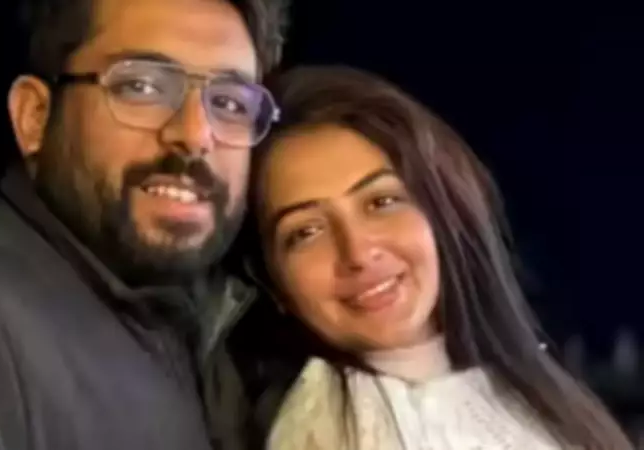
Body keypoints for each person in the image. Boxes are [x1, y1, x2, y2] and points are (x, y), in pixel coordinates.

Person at [0, 0, 288, 448]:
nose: (195, 135)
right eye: (142, 86)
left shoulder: (209, 336)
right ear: (34, 116)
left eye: (230, 102)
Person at [226, 65, 634, 449]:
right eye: (306, 232)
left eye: (381, 202)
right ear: (270, 278)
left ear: (442, 208)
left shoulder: (523, 383)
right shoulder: (326, 428)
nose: (359, 252)